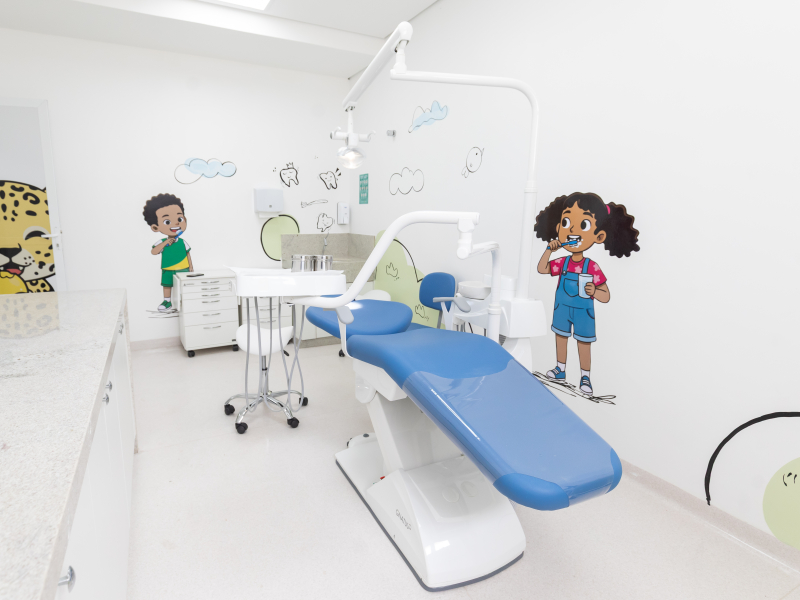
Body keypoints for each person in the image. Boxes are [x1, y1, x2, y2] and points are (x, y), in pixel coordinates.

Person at [535, 192, 639, 395]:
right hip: (562, 308)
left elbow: (605, 295)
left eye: (583, 225)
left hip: (584, 312)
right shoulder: (562, 262)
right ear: (559, 228)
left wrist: (594, 291)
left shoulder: (592, 267)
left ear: (599, 237)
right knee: (561, 337)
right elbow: (542, 268)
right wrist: (549, 250)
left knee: (584, 343)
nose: (572, 230)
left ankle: (585, 377)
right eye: (566, 223)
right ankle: (560, 369)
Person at [142, 193, 192, 312]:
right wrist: (165, 243)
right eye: (167, 222)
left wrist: (190, 267)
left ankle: (185, 301)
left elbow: (188, 254)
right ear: (155, 227)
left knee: (183, 285)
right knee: (167, 285)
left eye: (179, 219)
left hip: (183, 268)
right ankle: (167, 301)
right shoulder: (162, 242)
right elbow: (154, 251)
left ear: (184, 220)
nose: (176, 224)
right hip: (167, 269)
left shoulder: (183, 242)